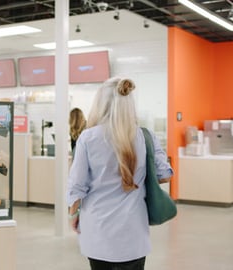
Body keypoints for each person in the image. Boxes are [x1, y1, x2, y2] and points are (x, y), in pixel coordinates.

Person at [67, 77, 173, 270]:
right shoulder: (145, 135)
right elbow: (164, 175)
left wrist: (73, 214)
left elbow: (77, 185)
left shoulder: (88, 138)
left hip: (98, 230)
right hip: (134, 231)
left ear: (101, 104)